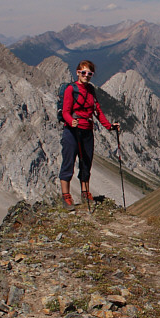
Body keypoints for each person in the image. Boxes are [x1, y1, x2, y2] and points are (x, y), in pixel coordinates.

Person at [60, 60, 118, 208]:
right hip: (72, 131)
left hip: (87, 131)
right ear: (78, 72)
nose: (86, 76)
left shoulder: (91, 90)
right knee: (68, 162)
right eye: (83, 72)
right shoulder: (70, 90)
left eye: (89, 73)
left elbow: (98, 111)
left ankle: (85, 193)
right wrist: (70, 120)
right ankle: (66, 196)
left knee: (86, 162)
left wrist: (110, 126)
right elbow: (66, 111)